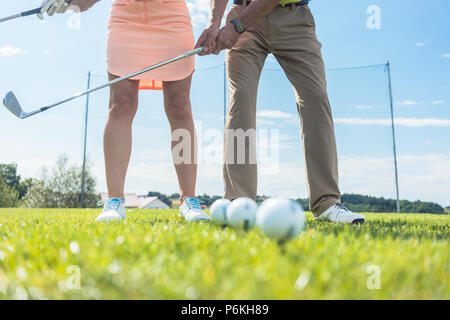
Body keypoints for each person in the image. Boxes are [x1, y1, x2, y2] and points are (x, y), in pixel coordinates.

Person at [39, 0, 209, 222]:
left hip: (172, 19)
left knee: (180, 105)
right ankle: (115, 201)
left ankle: (189, 200)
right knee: (121, 104)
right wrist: (68, 3)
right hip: (125, 20)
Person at [196, 0, 366, 224]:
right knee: (241, 98)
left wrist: (236, 26)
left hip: (294, 19)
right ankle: (239, 200)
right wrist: (214, 23)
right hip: (242, 14)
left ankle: (327, 203)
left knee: (315, 98)